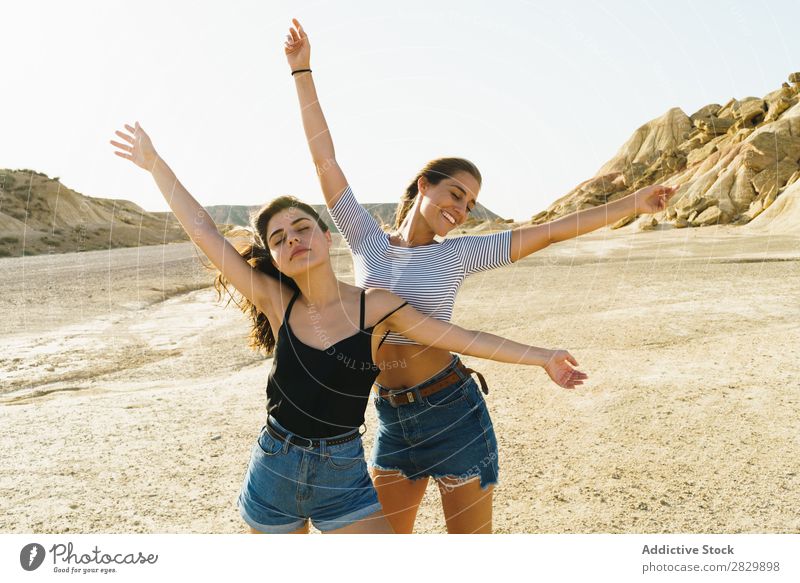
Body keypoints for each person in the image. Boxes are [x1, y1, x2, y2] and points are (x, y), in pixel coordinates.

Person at [284, 18, 675, 533]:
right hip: (391, 418)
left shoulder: (458, 255)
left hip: (454, 412)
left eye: (468, 204)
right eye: (454, 194)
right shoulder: (366, 238)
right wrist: (302, 70)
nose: (460, 209)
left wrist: (633, 203)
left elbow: (551, 232)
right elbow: (325, 161)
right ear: (425, 185)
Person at [110, 122, 587, 534]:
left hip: (347, 470)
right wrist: (155, 164)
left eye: (302, 227)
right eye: (278, 237)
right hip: (276, 467)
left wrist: (542, 355)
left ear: (327, 233)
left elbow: (461, 338)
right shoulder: (275, 301)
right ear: (273, 256)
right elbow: (205, 232)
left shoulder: (378, 305)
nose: (292, 239)